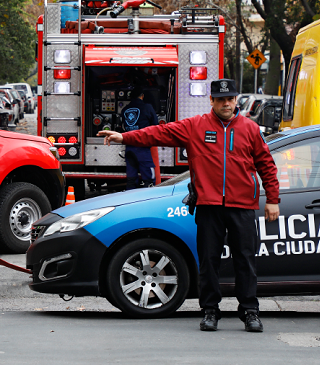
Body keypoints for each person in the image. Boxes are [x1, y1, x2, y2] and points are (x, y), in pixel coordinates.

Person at [98, 79, 279, 333]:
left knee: (245, 261)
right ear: (212, 101)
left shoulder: (250, 129)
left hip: (242, 206)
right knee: (208, 261)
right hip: (209, 206)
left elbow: (266, 165)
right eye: (220, 99)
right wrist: (124, 136)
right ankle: (210, 311)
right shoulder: (196, 126)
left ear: (236, 100)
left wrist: (272, 199)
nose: (226, 104)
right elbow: (158, 133)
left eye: (230, 99)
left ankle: (250, 311)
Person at [120, 88, 158, 189]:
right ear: (142, 96)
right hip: (142, 148)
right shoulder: (147, 107)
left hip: (129, 148)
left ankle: (130, 201)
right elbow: (156, 125)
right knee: (149, 180)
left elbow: (122, 127)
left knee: (131, 180)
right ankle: (148, 202)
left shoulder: (124, 110)